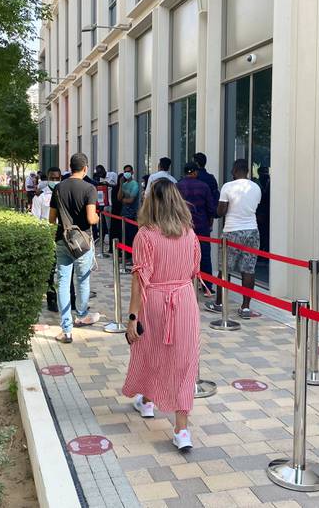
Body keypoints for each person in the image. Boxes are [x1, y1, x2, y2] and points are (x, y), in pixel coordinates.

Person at [122, 178, 201, 451]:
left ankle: (147, 402)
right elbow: (194, 270)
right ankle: (181, 430)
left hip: (154, 300)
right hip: (185, 301)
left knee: (151, 351)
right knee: (185, 361)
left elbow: (139, 280)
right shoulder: (189, 233)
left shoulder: (145, 235)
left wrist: (132, 317)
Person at [49, 154, 101, 343]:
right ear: (85, 168)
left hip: (63, 240)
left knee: (63, 282)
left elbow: (51, 218)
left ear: (70, 167)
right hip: (83, 242)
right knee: (83, 280)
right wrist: (98, 218)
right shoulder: (89, 188)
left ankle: (66, 329)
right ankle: (82, 315)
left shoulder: (58, 188)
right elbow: (90, 218)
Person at [204, 159, 262, 319]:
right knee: (248, 269)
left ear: (234, 170)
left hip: (232, 231)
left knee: (225, 269)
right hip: (252, 231)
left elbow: (221, 211)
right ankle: (245, 307)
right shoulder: (256, 187)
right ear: (248, 171)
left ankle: (220, 303)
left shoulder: (228, 187)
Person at [177, 162, 217, 294]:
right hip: (202, 227)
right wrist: (210, 221)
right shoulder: (204, 186)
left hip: (183, 227)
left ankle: (185, 285)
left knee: (184, 256)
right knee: (205, 256)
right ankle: (207, 287)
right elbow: (211, 208)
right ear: (195, 172)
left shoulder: (178, 186)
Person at [38, 167, 63, 312]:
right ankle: (51, 298)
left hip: (63, 237)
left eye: (57, 178)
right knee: (51, 270)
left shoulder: (64, 193)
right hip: (48, 237)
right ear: (47, 178)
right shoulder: (40, 196)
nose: (55, 181)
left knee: (65, 270)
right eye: (52, 178)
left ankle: (69, 298)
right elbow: (36, 218)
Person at [118, 164, 141, 260]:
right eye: (125, 171)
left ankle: (132, 257)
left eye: (128, 171)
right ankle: (125, 255)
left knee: (131, 236)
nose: (126, 173)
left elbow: (131, 200)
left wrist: (124, 199)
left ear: (132, 172)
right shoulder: (124, 184)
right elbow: (119, 198)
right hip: (124, 214)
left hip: (132, 214)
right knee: (124, 236)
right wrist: (120, 185)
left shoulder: (135, 184)